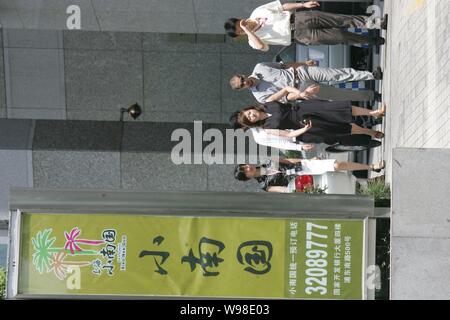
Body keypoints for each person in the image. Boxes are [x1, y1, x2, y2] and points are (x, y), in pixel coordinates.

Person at [224, 1, 388, 52]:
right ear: (240, 34)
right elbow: (261, 46)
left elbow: (282, 7)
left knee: (340, 20)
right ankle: (372, 40)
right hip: (299, 36)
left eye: (241, 24)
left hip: (301, 18)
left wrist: (303, 4)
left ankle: (376, 23)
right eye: (240, 31)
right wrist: (248, 31)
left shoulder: (257, 11)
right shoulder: (253, 41)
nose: (244, 27)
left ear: (240, 19)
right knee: (340, 37)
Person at [236, 100, 386, 145]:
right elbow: (288, 134)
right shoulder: (267, 128)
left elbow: (286, 94)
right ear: (252, 123)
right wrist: (303, 130)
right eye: (250, 119)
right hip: (305, 123)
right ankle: (370, 132)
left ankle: (374, 113)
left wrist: (302, 93)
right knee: (344, 128)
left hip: (305, 108)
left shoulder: (266, 103)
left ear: (250, 108)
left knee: (339, 108)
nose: (252, 115)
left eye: (249, 113)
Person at [229, 61, 382, 103]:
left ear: (242, 75)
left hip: (301, 72)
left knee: (338, 74)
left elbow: (284, 65)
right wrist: (301, 94)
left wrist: (304, 63)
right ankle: (373, 96)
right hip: (302, 89)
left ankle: (372, 75)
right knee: (339, 95)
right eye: (241, 85)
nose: (244, 82)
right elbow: (284, 99)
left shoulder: (260, 67)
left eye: (242, 79)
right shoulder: (259, 96)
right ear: (242, 89)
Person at [234, 158, 385, 193]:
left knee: (336, 165)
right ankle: (368, 183)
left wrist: (308, 160)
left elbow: (288, 160)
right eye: (245, 171)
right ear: (247, 177)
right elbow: (283, 190)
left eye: (245, 166)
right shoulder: (264, 185)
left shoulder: (267, 162)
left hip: (302, 167)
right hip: (300, 180)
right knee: (332, 183)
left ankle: (372, 167)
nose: (248, 168)